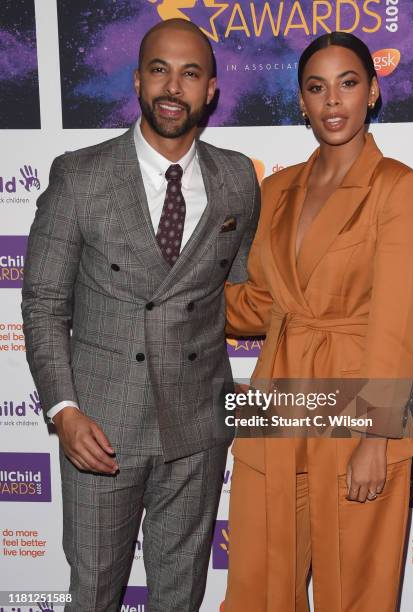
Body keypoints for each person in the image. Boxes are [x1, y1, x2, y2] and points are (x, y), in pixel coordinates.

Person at [21, 18, 259, 612]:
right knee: (93, 593)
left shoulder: (237, 179)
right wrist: (64, 410)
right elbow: (45, 302)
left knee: (180, 596)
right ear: (137, 81)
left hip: (197, 427)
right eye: (159, 70)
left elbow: (245, 291)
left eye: (189, 73)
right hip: (101, 430)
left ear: (211, 90)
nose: (172, 87)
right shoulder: (80, 175)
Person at [223, 32, 413, 612]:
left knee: (355, 594)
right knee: (255, 589)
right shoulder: (276, 188)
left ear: (372, 93)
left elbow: (395, 324)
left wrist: (376, 435)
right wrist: (170, 296)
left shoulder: (402, 189)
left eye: (348, 84)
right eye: (317, 88)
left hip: (357, 409)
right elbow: (261, 304)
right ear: (301, 102)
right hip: (273, 402)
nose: (333, 101)